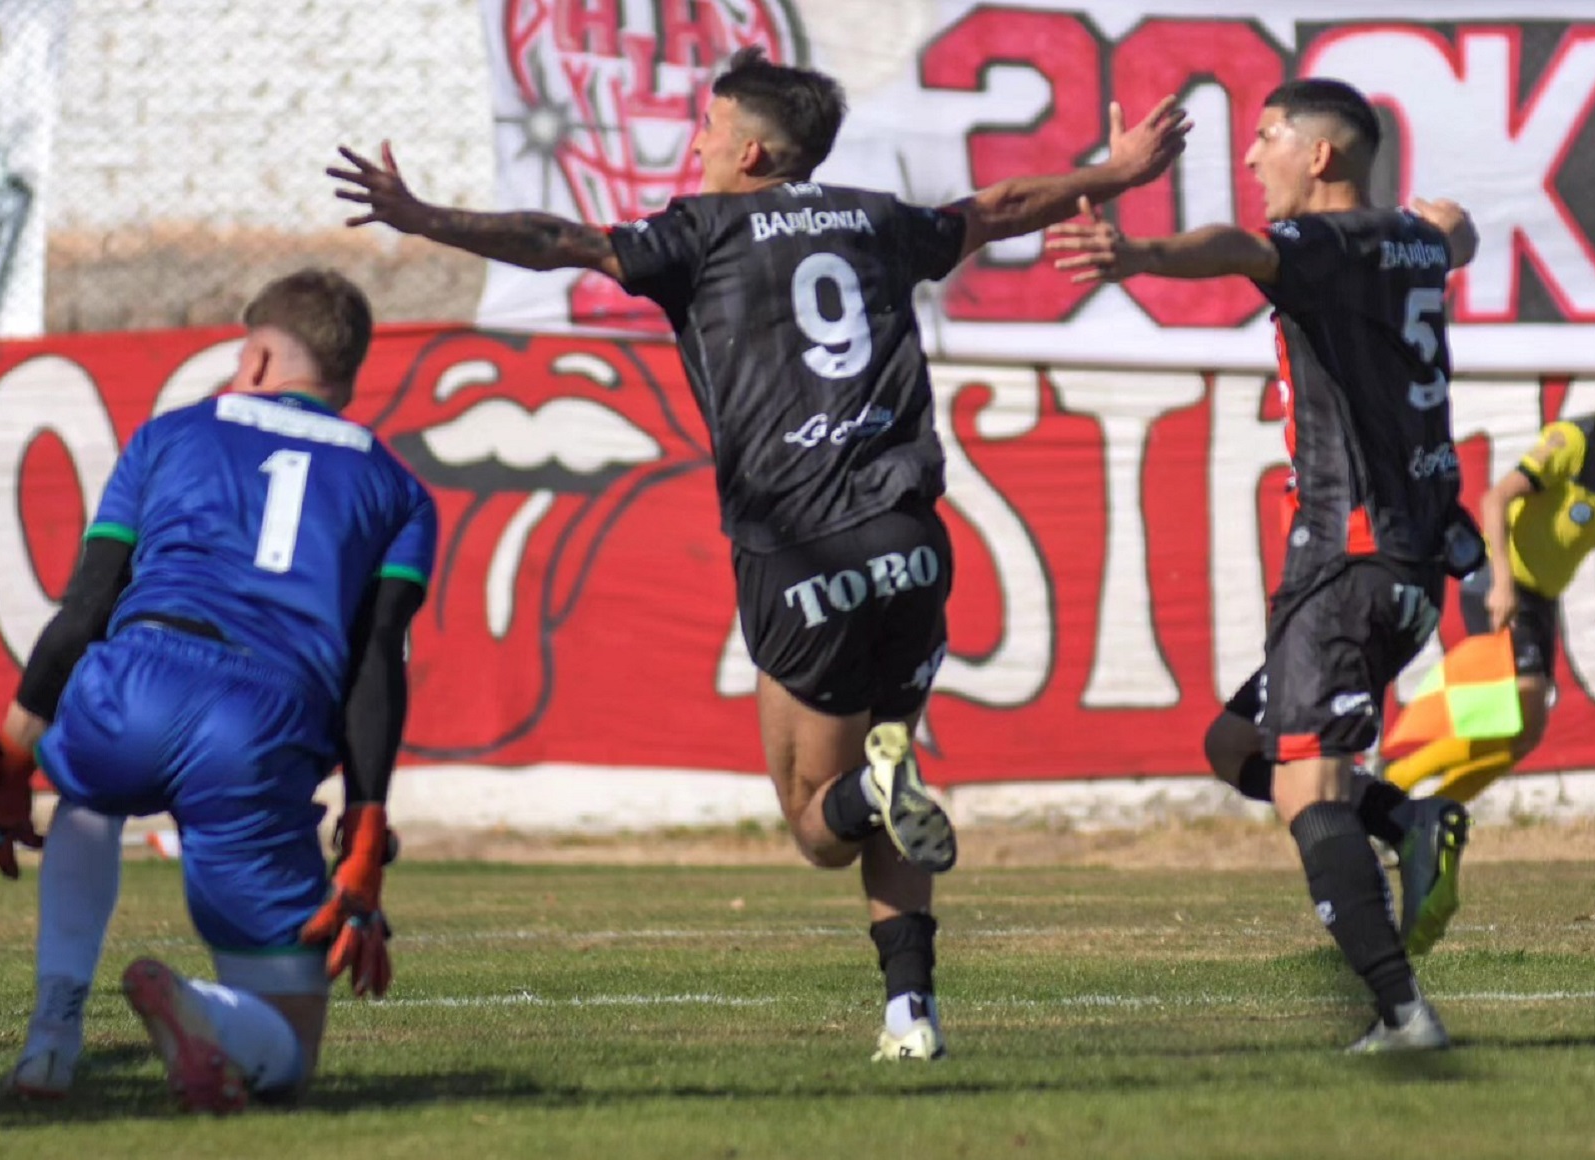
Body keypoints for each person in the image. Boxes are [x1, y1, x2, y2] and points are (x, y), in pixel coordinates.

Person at [328, 47, 1189, 1061]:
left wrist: (425, 217)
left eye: (704, 127)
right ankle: (910, 1012)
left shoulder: (696, 235)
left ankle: (877, 801)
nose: (692, 144)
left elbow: (556, 238)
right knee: (891, 760)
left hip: (798, 549)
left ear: (747, 150)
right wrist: (1118, 172)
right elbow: (1004, 204)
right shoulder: (877, 219)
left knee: (821, 825)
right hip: (913, 542)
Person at [1049, 77, 1478, 1051]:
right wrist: (1439, 222)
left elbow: (1236, 249)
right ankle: (1409, 822)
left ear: (1321, 155)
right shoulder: (1415, 242)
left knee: (1302, 786)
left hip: (1348, 558)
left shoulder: (1319, 247)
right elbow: (1457, 229)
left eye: (1268, 138)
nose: (1251, 159)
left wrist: (1138, 254)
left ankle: (1402, 1011)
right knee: (1235, 746)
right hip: (1407, 565)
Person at [0, 268, 437, 1110]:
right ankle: (193, 1007)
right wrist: (365, 824)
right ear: (346, 373)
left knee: (89, 796)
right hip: (260, 722)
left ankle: (52, 1035)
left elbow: (87, 609)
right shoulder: (401, 491)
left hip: (131, 683)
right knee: (286, 1061)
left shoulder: (168, 434)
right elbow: (374, 666)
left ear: (253, 360)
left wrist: (10, 757)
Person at [1385, 350, 1595, 802]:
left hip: (1540, 599)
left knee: (1525, 734)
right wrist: (1503, 583)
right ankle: (1395, 783)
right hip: (1502, 584)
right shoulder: (1572, 441)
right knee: (1521, 712)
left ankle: (1430, 815)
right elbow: (1495, 500)